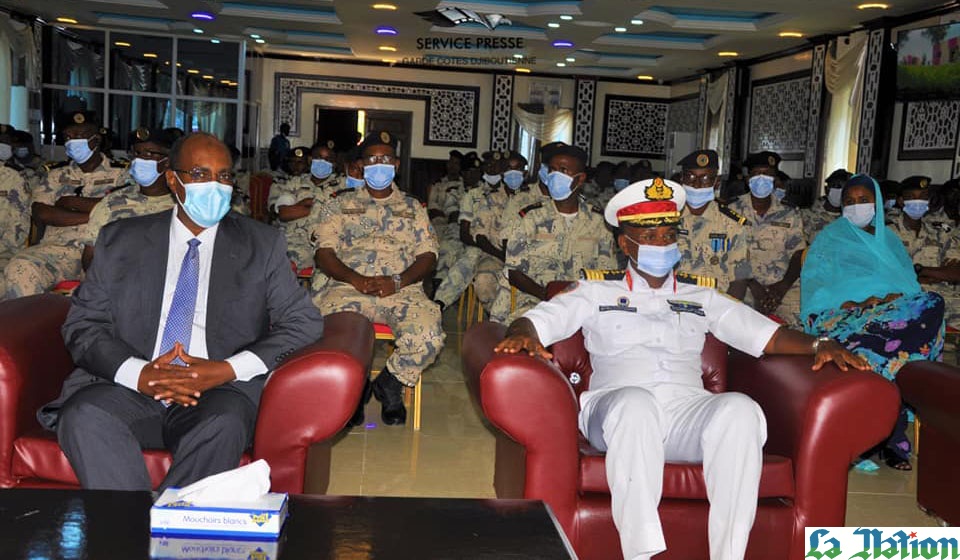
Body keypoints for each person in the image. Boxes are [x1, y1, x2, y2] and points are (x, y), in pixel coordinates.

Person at [495, 177, 868, 560]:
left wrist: (821, 345)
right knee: (636, 405)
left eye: (668, 236)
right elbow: (538, 321)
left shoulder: (701, 295)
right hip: (614, 410)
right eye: (650, 236)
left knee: (740, 410)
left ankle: (730, 555)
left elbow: (768, 337)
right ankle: (641, 554)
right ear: (626, 244)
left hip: (684, 412)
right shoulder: (594, 291)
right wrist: (522, 333)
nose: (661, 244)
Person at [39, 132, 325, 492]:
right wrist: (139, 373)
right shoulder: (120, 239)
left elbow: (303, 322)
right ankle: (132, 532)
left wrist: (225, 370)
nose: (215, 186)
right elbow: (83, 324)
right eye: (200, 174)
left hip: (218, 391)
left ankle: (169, 522)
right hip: (129, 382)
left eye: (223, 176)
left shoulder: (261, 244)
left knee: (225, 423)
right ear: (173, 180)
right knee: (83, 415)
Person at [801, 174, 945, 471]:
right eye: (850, 202)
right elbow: (814, 291)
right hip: (845, 318)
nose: (856, 207)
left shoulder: (890, 240)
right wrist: (851, 303)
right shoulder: (829, 239)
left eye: (863, 200)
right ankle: (889, 435)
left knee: (931, 302)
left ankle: (877, 417)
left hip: (887, 320)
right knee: (899, 348)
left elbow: (910, 286)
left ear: (877, 203)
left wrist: (894, 297)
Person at [311, 130, 444, 426]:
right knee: (332, 338)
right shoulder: (338, 204)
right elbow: (324, 253)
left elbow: (428, 256)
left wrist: (398, 281)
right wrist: (354, 278)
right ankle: (353, 391)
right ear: (362, 164)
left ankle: (391, 384)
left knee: (429, 336)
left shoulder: (414, 207)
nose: (379, 164)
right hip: (348, 287)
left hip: (401, 288)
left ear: (396, 164)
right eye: (372, 158)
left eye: (385, 158)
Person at [487, 143, 617, 323]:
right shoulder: (530, 217)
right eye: (553, 170)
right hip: (536, 301)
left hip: (583, 304)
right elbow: (513, 271)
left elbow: (606, 273)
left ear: (580, 179)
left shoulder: (598, 221)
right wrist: (548, 295)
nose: (556, 176)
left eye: (563, 171)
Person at [3, 111, 125, 300]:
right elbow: (41, 213)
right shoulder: (55, 175)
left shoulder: (122, 175)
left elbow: (123, 208)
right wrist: (97, 214)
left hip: (103, 251)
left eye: (81, 135)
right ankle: (29, 328)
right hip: (57, 251)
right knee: (20, 267)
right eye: (69, 136)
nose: (73, 140)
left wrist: (69, 203)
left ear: (96, 139)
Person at [80, 128, 177, 270]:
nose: (140, 159)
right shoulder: (113, 201)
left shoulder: (182, 205)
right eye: (136, 154)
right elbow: (90, 257)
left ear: (167, 161)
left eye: (149, 154)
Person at [728, 151, 806, 325]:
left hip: (782, 287)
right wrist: (754, 286)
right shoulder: (731, 210)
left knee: (800, 327)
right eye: (757, 174)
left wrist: (782, 286)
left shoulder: (789, 213)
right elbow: (729, 254)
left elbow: (798, 253)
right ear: (748, 180)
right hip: (743, 285)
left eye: (768, 174)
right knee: (738, 327)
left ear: (774, 180)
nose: (762, 179)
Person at [887, 175, 960, 327]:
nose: (918, 202)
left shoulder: (940, 232)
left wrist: (921, 270)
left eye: (923, 197)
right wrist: (938, 273)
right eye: (911, 197)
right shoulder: (887, 234)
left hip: (949, 304)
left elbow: (956, 273)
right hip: (908, 305)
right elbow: (886, 274)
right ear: (901, 201)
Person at [675, 149, 750, 294]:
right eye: (690, 177)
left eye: (705, 178)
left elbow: (740, 279)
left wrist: (726, 312)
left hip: (715, 305)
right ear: (681, 179)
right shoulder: (666, 218)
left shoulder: (732, 224)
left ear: (716, 182)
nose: (696, 185)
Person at [801, 169, 850, 245]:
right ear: (827, 189)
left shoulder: (851, 219)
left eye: (845, 188)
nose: (841, 191)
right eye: (837, 186)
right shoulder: (806, 216)